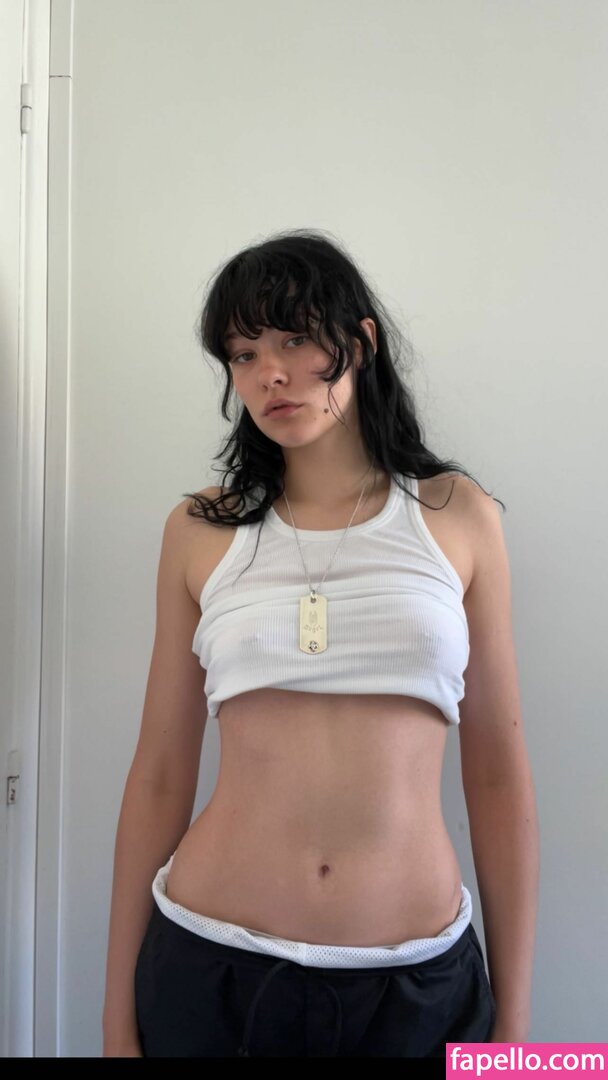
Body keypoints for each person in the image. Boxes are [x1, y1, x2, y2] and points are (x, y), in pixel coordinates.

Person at [102, 229, 539, 1058]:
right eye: (243, 353)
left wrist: (514, 1033)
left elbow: (498, 775)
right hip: (211, 968)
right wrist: (115, 1019)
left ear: (360, 342)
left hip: (415, 989)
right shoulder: (200, 530)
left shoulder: (458, 516)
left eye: (295, 339)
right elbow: (159, 772)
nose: (270, 372)